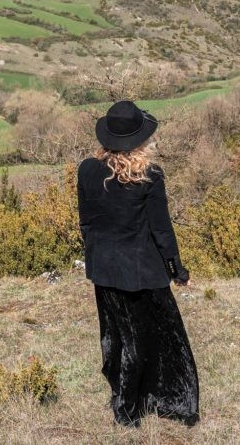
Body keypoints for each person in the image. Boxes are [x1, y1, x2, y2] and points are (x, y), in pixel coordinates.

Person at [77, 99, 200, 429]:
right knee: (158, 337)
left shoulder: (87, 170)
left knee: (117, 336)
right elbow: (161, 229)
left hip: (104, 270)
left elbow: (86, 222)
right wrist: (178, 271)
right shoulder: (150, 176)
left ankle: (126, 401)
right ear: (140, 141)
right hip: (142, 272)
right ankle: (143, 406)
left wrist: (98, 256)